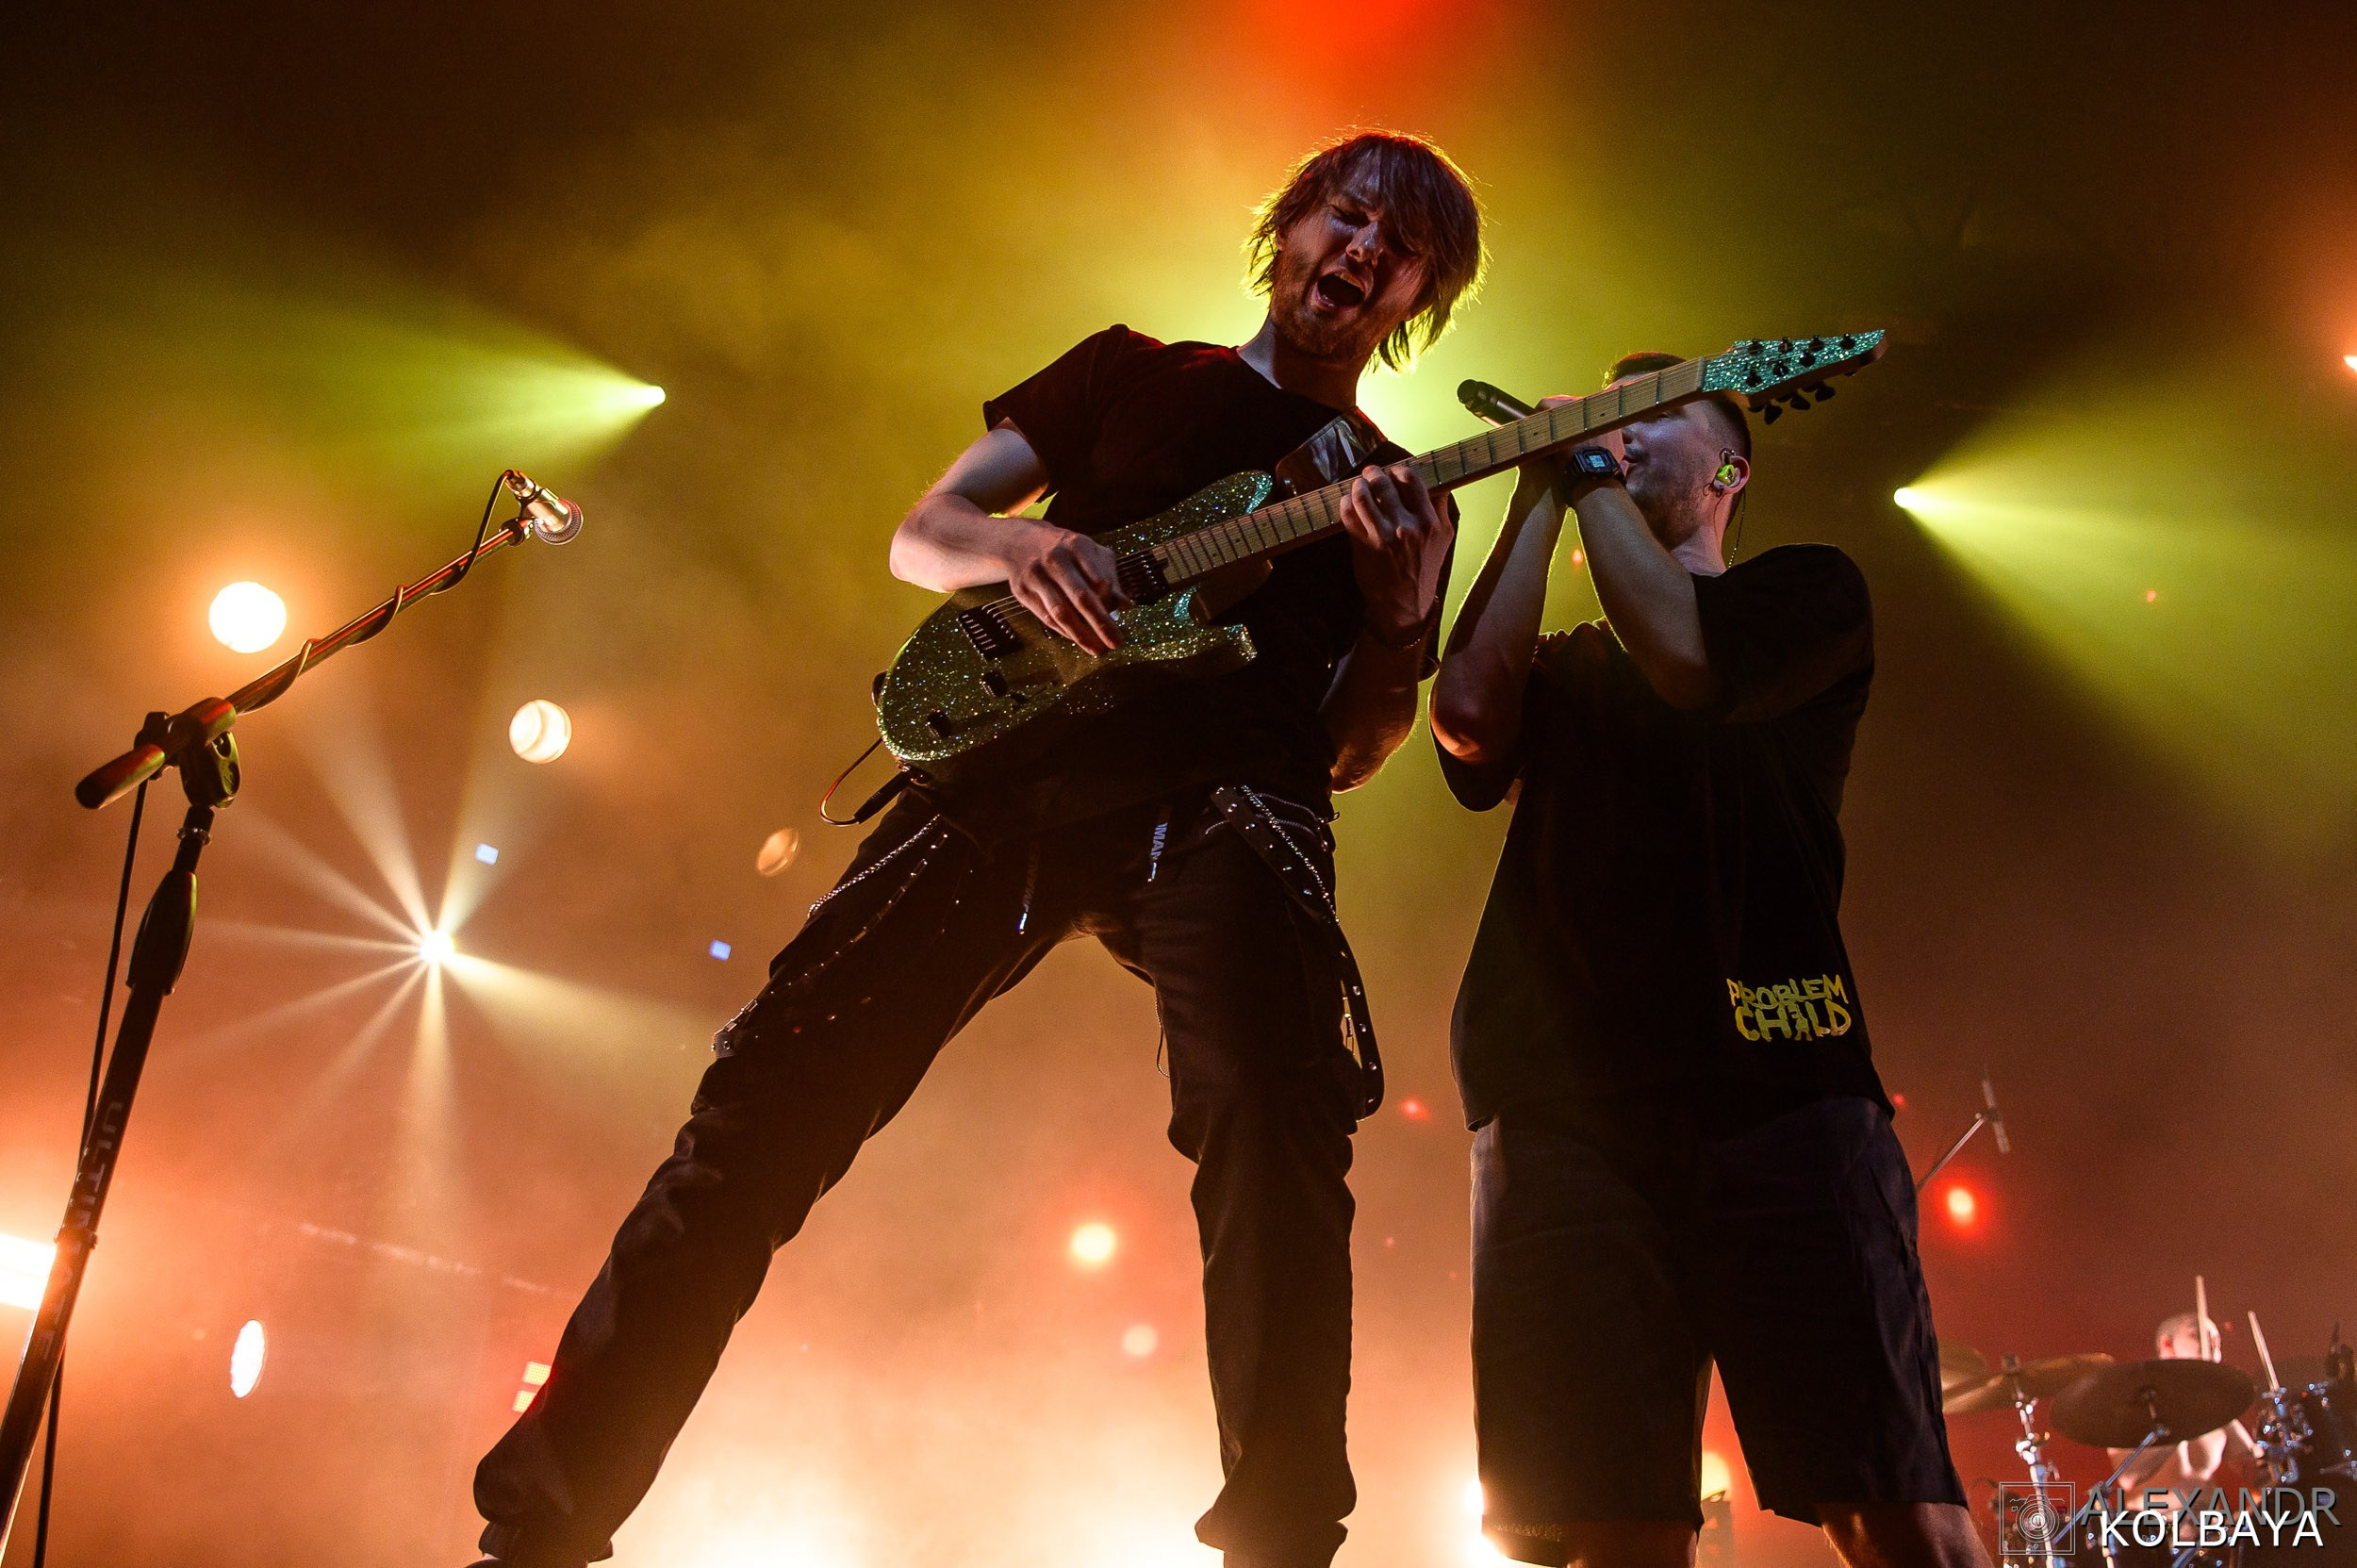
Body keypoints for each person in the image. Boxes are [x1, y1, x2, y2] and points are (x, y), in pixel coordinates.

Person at [467, 130, 1480, 1568]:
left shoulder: (1396, 486)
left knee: (1277, 1115)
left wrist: (1397, 616)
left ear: (1414, 302)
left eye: (1403, 248)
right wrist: (1021, 555)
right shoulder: (1133, 369)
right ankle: (542, 1522)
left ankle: (1284, 1539)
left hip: (1235, 799)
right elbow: (923, 531)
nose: (1366, 249)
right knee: (764, 1106)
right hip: (1014, 771)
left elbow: (1357, 747)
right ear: (1293, 228)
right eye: (1349, 215)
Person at [1428, 354, 1986, 1568]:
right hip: (1563, 1104)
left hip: (1780, 1086)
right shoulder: (1565, 662)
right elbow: (1467, 716)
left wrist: (1581, 477)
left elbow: (1689, 660)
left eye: (1650, 419)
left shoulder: (1809, 593)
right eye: (1604, 419)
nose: (1617, 437)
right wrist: (1534, 494)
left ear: (1729, 467)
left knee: (1892, 1506)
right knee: (1605, 1525)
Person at [2108, 1312, 2259, 1508]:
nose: (2211, 1344)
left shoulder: (2215, 1411)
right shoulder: (2134, 1406)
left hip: (2212, 1530)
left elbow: (2258, 1470)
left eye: (2216, 1340)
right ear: (2167, 1344)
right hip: (2153, 1530)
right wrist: (2181, 1419)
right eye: (2198, 1335)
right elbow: (2128, 1476)